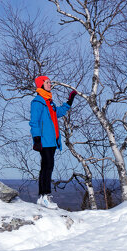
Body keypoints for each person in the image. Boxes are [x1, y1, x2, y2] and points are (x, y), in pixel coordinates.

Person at [30, 75, 77, 209]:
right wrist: (37, 139)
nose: (50, 84)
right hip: (44, 141)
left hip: (52, 140)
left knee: (47, 167)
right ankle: (45, 196)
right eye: (48, 82)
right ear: (41, 85)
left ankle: (42, 197)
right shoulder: (38, 102)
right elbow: (34, 122)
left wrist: (69, 101)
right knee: (47, 167)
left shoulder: (50, 102)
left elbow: (58, 113)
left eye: (50, 82)